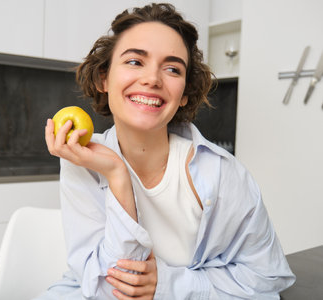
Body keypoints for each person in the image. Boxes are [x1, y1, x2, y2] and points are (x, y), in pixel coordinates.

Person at [41, 3, 295, 299]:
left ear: (184, 93)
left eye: (172, 68)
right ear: (104, 79)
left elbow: (268, 278)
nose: (152, 79)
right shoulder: (82, 161)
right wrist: (118, 175)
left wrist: (170, 284)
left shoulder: (222, 173)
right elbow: (103, 290)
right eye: (135, 61)